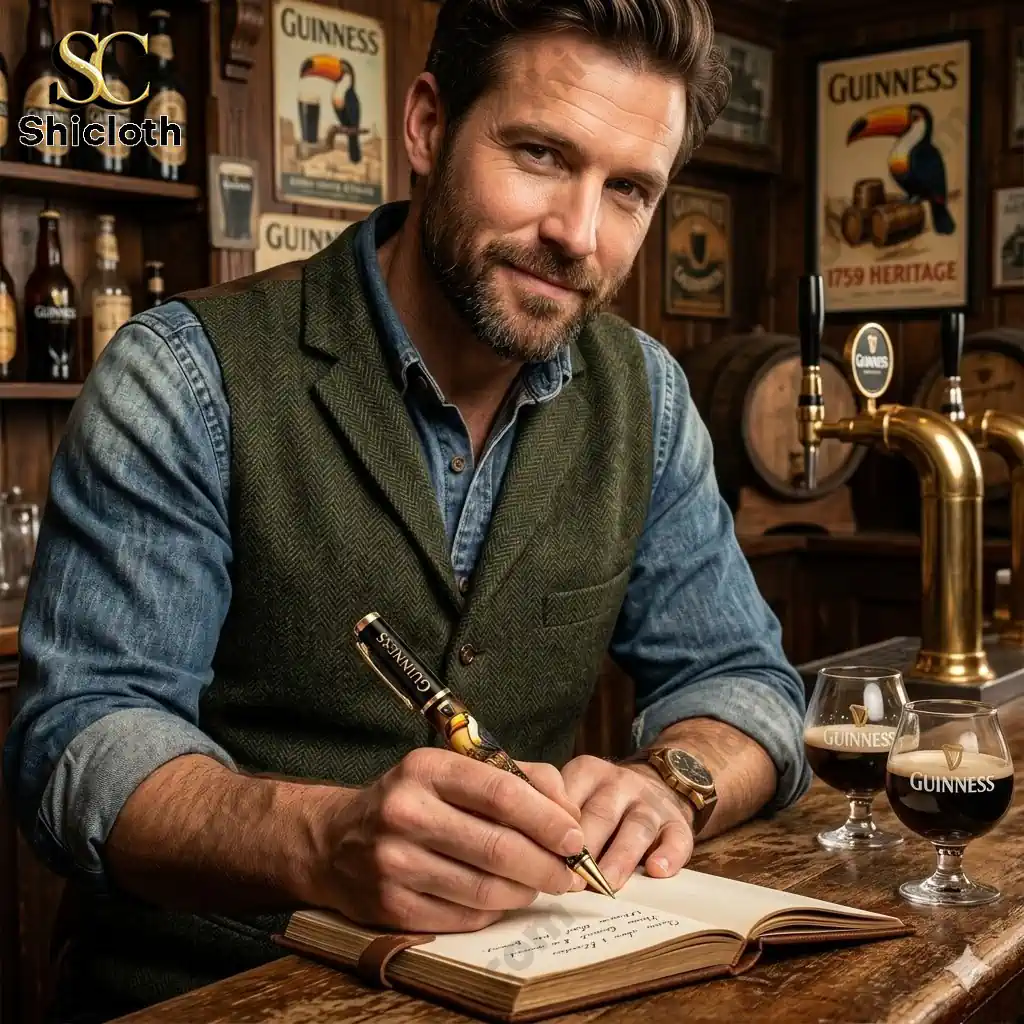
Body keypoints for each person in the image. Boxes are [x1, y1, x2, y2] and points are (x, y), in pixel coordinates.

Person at [2, 0, 811, 1020]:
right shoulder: (181, 376)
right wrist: (320, 840)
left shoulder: (645, 396)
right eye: (540, 155)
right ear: (428, 126)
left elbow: (745, 681)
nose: (577, 233)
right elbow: (80, 742)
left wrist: (672, 780)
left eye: (629, 191)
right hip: (214, 994)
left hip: (531, 989)